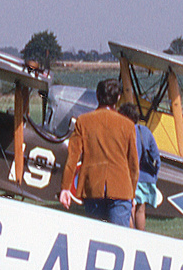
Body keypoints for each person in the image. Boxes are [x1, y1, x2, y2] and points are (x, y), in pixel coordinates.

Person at [59, 78, 138, 226]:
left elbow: (73, 157)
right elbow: (133, 165)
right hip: (121, 189)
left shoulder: (83, 121)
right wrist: (132, 192)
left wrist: (65, 188)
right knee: (119, 238)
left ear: (97, 95)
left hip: (93, 188)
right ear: (118, 98)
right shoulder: (128, 125)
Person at [118, 102, 160, 231]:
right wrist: (155, 175)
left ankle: (131, 235)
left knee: (130, 208)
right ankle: (141, 236)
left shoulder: (125, 132)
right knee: (141, 210)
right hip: (146, 177)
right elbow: (156, 155)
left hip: (131, 178)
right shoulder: (145, 131)